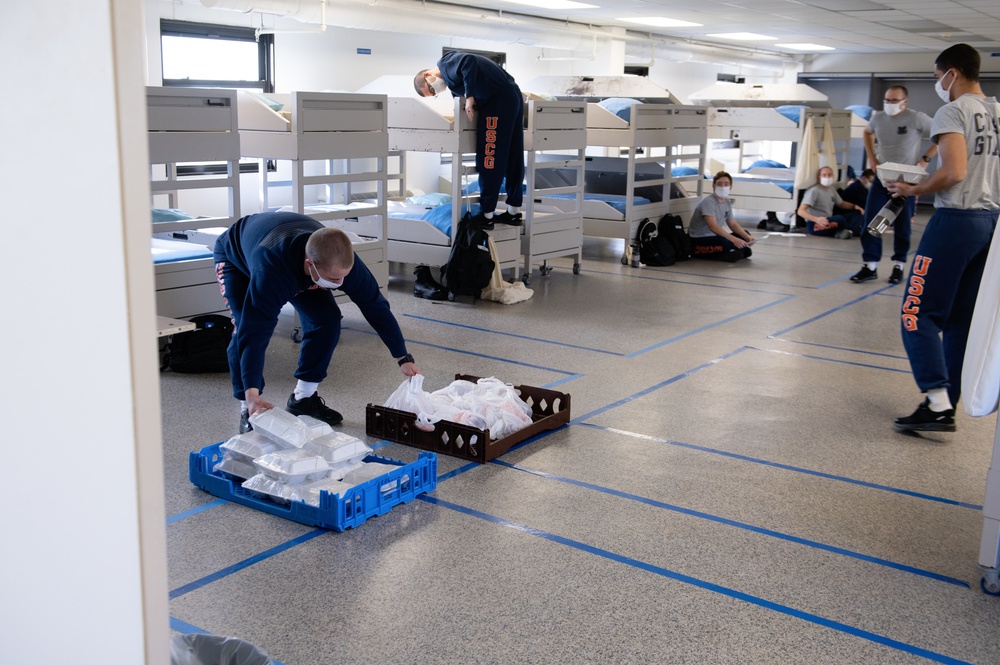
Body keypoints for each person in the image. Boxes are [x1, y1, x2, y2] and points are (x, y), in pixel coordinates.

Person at [213, 212, 420, 433]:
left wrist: (402, 357)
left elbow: (376, 307)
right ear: (309, 264)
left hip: (290, 257)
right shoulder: (272, 269)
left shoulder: (343, 263)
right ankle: (248, 408)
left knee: (327, 319)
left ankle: (303, 399)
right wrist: (252, 393)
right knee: (244, 325)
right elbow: (254, 332)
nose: (340, 283)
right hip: (236, 257)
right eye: (332, 280)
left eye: (343, 277)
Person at [886, 43, 999, 433]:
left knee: (916, 312)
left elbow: (953, 172)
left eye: (937, 78)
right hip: (991, 223)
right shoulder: (997, 111)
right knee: (959, 319)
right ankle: (946, 403)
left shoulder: (954, 110)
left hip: (957, 220)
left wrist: (911, 190)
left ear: (952, 72)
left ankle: (935, 401)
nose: (939, 85)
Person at [414, 51, 525, 230]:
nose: (436, 91)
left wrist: (470, 96)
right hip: (511, 96)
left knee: (490, 157)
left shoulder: (446, 63)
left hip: (498, 101)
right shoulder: (453, 81)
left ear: (427, 75)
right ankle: (514, 211)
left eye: (432, 89)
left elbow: (469, 61)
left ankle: (487, 215)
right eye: (433, 94)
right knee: (513, 155)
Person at [851, 85, 937, 284]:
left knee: (902, 224)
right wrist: (872, 157)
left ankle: (899, 265)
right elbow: (867, 133)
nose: (889, 104)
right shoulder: (878, 118)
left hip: (906, 181)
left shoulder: (916, 118)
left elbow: (942, 135)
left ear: (904, 102)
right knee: (872, 222)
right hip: (883, 178)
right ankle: (870, 265)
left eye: (894, 100)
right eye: (887, 100)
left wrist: (926, 158)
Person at [688, 171, 754, 262]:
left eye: (726, 184)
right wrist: (734, 240)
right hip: (699, 239)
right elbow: (713, 226)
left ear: (730, 187)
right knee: (724, 242)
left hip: (715, 237)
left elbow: (733, 224)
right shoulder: (709, 202)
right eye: (719, 184)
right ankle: (728, 252)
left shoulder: (727, 202)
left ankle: (732, 250)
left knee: (743, 234)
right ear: (714, 186)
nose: (723, 187)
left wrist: (747, 237)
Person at [796, 166, 865, 238]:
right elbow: (801, 211)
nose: (827, 177)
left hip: (828, 220)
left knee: (852, 216)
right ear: (819, 176)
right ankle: (843, 231)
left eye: (829, 175)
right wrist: (816, 219)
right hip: (815, 223)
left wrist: (854, 206)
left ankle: (846, 231)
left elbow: (841, 203)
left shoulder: (831, 189)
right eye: (824, 175)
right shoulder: (814, 191)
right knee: (839, 219)